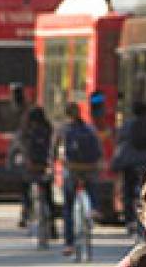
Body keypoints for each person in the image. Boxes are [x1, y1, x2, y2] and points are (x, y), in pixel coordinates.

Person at [57, 102, 106, 256]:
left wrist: (52, 163)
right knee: (92, 186)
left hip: (71, 169)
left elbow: (55, 150)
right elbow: (99, 150)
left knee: (68, 206)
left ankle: (69, 244)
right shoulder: (90, 129)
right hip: (89, 168)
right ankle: (94, 208)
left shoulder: (63, 130)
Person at [111, 101, 146, 241]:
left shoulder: (127, 125)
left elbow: (120, 143)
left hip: (130, 162)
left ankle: (130, 221)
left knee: (128, 192)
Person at [15, 105, 56, 236]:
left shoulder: (25, 130)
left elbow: (20, 147)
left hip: (30, 166)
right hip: (44, 165)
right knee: (48, 195)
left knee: (25, 188)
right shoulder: (48, 129)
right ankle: (53, 226)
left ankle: (25, 214)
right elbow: (52, 147)